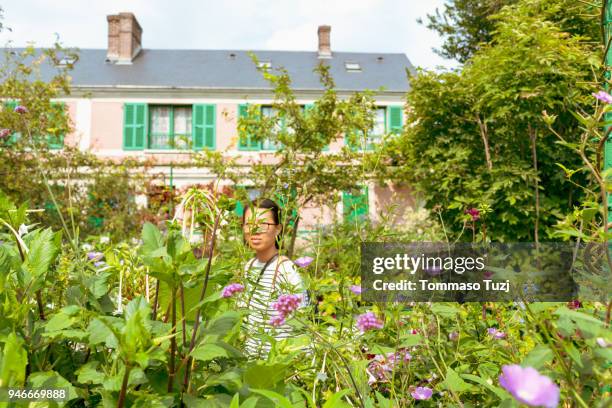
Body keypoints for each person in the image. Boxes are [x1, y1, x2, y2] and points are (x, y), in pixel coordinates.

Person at [238, 198, 308, 359]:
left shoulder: (286, 270)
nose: (254, 230)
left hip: (276, 364)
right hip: (250, 363)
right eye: (249, 224)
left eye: (263, 225)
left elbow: (301, 325)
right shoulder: (249, 266)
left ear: (278, 229)